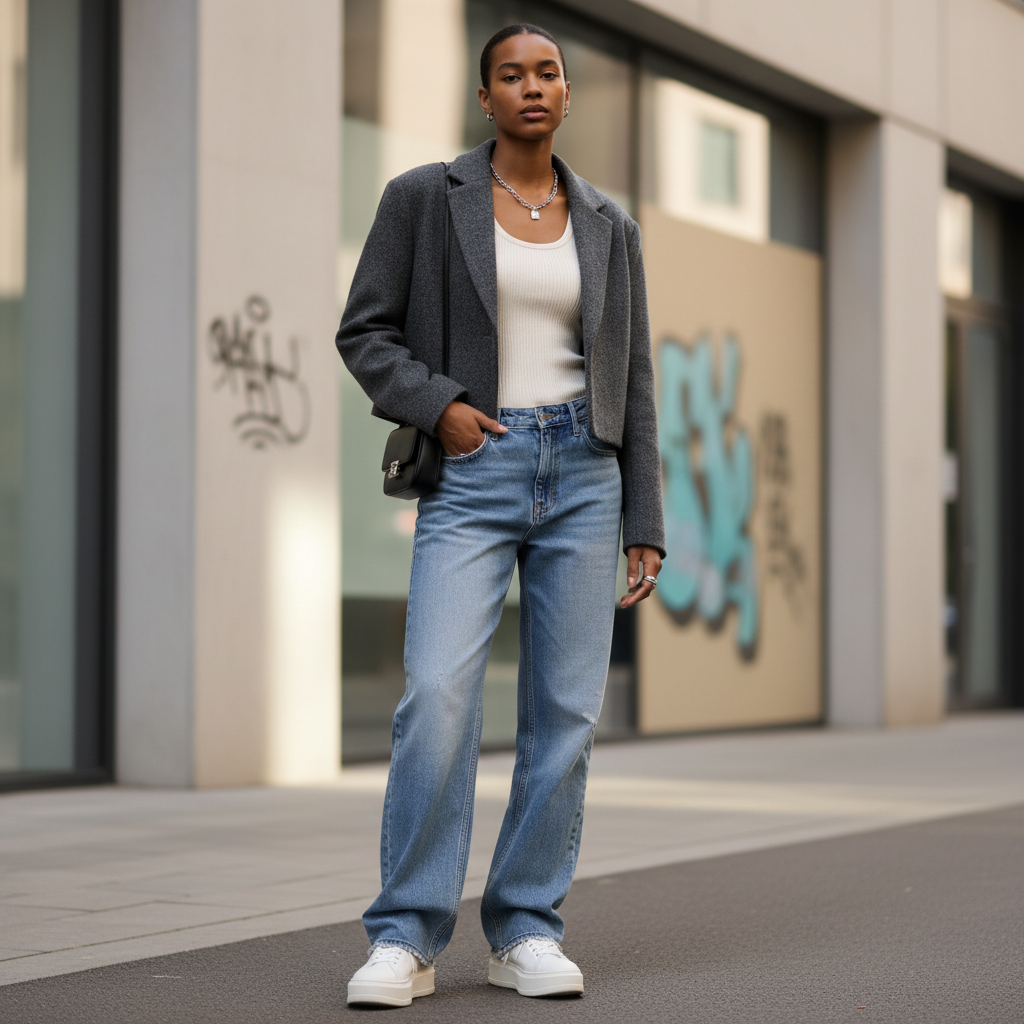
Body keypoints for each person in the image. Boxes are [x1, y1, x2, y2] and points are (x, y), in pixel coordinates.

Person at [336, 22, 665, 1008]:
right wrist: (439, 405)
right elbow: (365, 331)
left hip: (585, 473)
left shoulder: (608, 224)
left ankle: (525, 927)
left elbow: (633, 378)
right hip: (474, 467)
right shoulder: (423, 199)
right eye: (511, 74)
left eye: (548, 73)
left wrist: (643, 516)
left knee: (564, 715)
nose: (531, 86)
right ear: (484, 96)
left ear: (566, 94)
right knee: (437, 696)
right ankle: (405, 937)